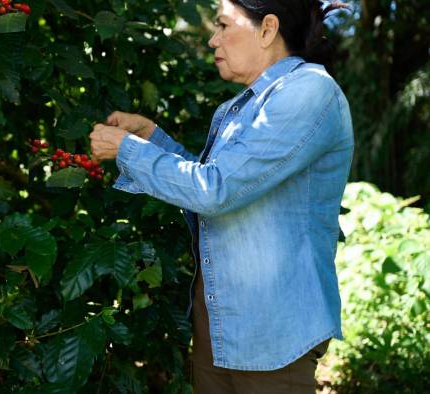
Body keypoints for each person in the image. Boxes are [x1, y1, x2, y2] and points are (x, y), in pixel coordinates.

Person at [89, 0, 353, 392]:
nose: (213, 39)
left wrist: (128, 150)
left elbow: (217, 191)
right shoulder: (241, 107)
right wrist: (151, 139)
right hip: (221, 322)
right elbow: (218, 183)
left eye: (223, 25)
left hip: (272, 331)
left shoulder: (309, 91)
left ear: (267, 29)